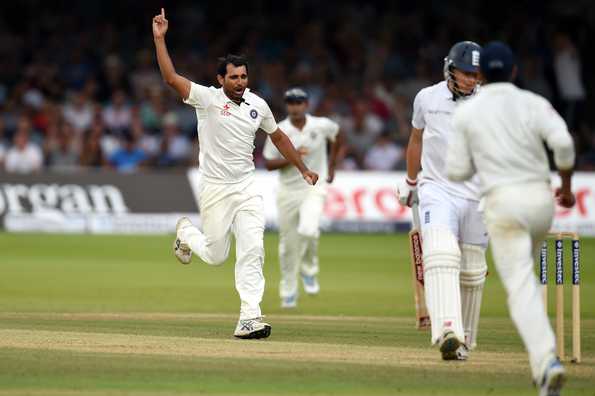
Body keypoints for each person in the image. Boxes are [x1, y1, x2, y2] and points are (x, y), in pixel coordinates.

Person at [152, 9, 318, 339]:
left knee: (253, 249)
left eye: (244, 77)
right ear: (220, 79)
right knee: (215, 255)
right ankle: (186, 232)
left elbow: (279, 137)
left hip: (246, 187)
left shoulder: (259, 105)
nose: (240, 82)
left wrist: (302, 169)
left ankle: (249, 317)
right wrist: (159, 39)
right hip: (215, 187)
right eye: (234, 77)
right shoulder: (206, 99)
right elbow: (171, 78)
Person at [447, 41, 574, 396]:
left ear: (482, 74)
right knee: (527, 277)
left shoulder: (468, 114)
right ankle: (541, 369)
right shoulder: (534, 103)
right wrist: (565, 187)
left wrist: (479, 159)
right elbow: (564, 145)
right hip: (540, 202)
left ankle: (547, 359)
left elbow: (456, 171)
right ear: (515, 72)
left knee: (520, 285)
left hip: (503, 203)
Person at [397, 41, 488, 360]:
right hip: (437, 188)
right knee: (440, 253)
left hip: (477, 193)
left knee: (473, 271)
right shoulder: (427, 98)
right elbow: (416, 139)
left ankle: (465, 342)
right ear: (450, 69)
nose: (470, 80)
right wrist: (410, 182)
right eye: (465, 73)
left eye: (475, 74)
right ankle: (448, 329)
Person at [263, 88, 343, 308]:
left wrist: (333, 165)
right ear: (286, 105)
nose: (295, 106)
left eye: (299, 102)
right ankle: (288, 292)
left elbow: (338, 136)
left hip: (314, 187)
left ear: (306, 104)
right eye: (290, 103)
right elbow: (268, 163)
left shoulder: (322, 125)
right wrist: (293, 157)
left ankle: (308, 271)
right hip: (287, 192)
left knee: (309, 229)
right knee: (288, 245)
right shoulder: (279, 129)